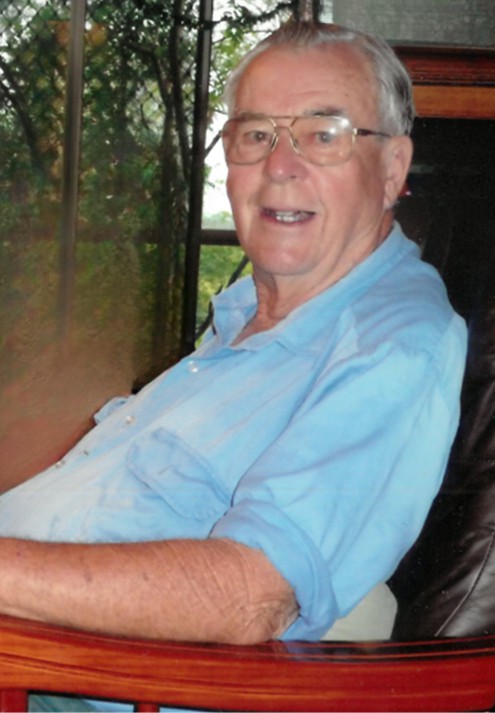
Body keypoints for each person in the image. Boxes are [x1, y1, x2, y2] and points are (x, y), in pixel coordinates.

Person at [0, 18, 466, 666]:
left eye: (322, 135)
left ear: (392, 169)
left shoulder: (391, 345)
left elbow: (251, 596)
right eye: (255, 135)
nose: (279, 166)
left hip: (68, 682)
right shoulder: (251, 314)